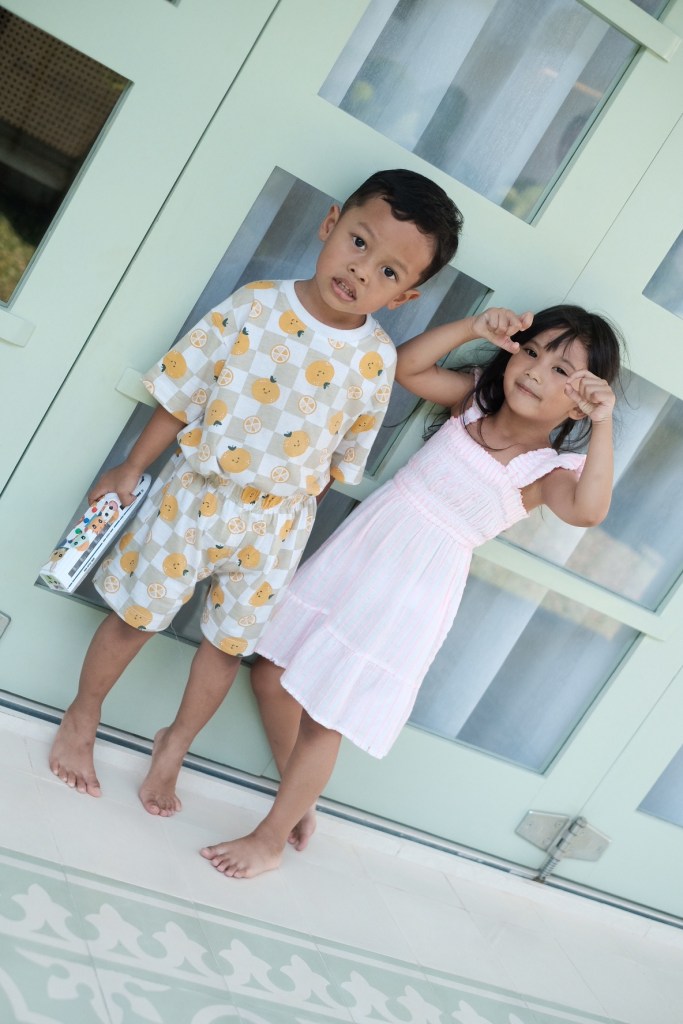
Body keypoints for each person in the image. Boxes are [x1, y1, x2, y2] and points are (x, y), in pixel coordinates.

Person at [48, 169, 464, 812]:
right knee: (135, 618)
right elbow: (183, 393)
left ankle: (175, 745)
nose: (361, 270)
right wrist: (132, 467)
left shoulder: (376, 360)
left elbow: (341, 458)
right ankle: (83, 715)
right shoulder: (257, 305)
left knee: (225, 648)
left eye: (388, 271)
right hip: (195, 496)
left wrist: (290, 514)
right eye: (358, 242)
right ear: (330, 224)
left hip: (276, 527)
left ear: (404, 296)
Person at [201, 303, 623, 878]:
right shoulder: (471, 401)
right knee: (270, 673)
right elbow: (405, 366)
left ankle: (270, 838)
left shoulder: (547, 471)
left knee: (326, 716)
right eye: (531, 352)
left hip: (412, 589)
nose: (534, 371)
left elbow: (590, 511)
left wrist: (604, 423)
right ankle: (298, 798)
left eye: (560, 370)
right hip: (361, 552)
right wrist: (473, 328)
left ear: (578, 403)